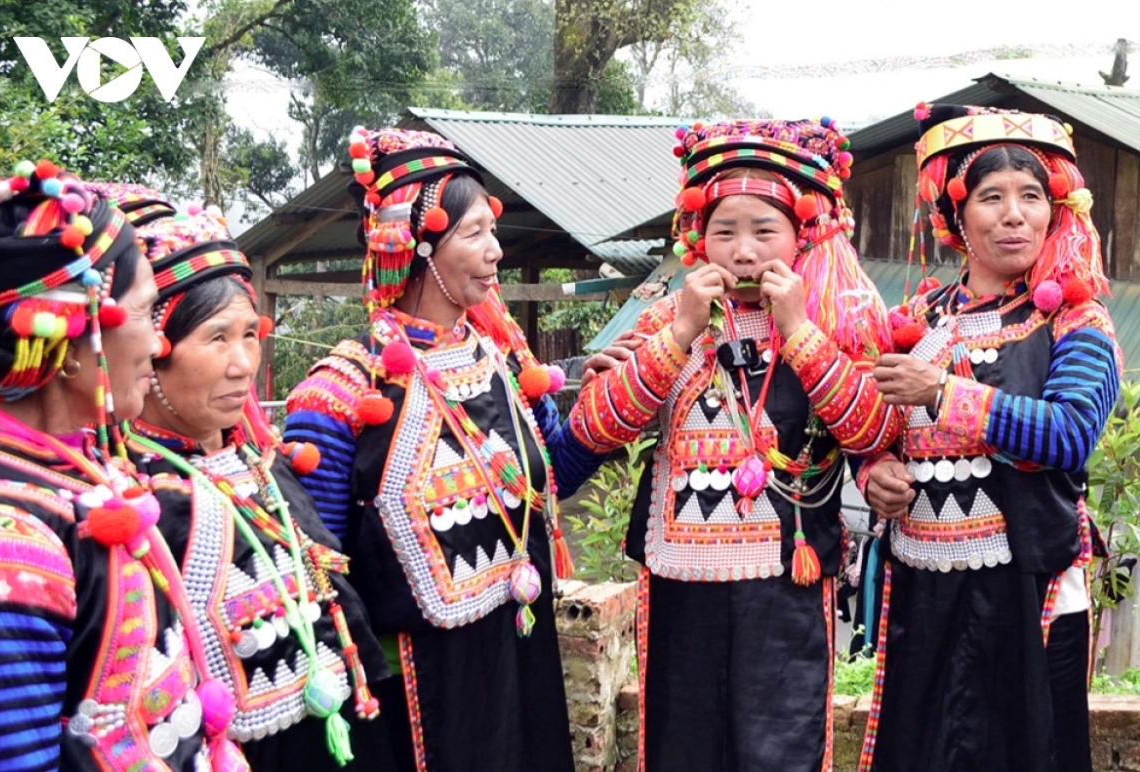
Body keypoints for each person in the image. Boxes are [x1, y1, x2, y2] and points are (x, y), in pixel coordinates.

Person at [566, 119, 901, 772]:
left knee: (782, 742)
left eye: (763, 231)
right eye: (724, 231)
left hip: (786, 577)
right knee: (681, 742)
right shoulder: (667, 317)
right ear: (698, 237)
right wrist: (681, 331)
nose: (743, 250)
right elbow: (596, 428)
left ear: (802, 234)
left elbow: (871, 430)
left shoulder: (831, 319)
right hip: (680, 575)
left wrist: (799, 331)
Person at [283, 127, 611, 772]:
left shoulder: (504, 363)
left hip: (519, 653)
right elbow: (320, 573)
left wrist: (628, 386)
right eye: (474, 234)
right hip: (419, 691)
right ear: (420, 245)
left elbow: (558, 474)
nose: (495, 251)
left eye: (492, 231)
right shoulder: (341, 392)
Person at [87, 184, 396, 772]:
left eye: (249, 334)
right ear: (154, 349)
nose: (243, 364)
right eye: (217, 338)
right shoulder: (131, 503)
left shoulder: (265, 463)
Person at [859, 104, 1119, 772]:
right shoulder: (917, 320)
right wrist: (875, 471)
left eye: (1031, 196)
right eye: (991, 197)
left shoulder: (1076, 320)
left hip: (1027, 584)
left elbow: (1068, 434)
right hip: (921, 583)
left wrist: (941, 393)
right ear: (955, 216)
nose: (1013, 214)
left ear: (1054, 209)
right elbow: (870, 427)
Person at [0, 165, 248, 770]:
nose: (157, 344)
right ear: (78, 341)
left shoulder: (76, 468)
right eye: (149, 314)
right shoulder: (6, 547)